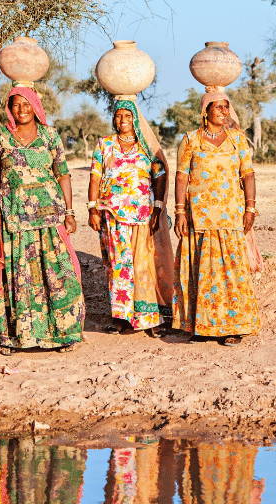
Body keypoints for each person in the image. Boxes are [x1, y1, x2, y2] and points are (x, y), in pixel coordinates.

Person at [0, 87, 85, 354]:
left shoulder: (50, 136)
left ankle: (62, 333)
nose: (22, 110)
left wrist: (70, 212)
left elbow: (63, 174)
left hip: (50, 215)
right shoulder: (1, 136)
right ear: (9, 108)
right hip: (15, 218)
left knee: (57, 272)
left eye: (26, 104)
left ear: (36, 106)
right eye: (16, 105)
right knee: (19, 276)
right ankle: (17, 337)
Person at [172, 92, 261, 346]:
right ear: (205, 111)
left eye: (226, 107)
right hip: (198, 217)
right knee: (200, 271)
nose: (224, 111)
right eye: (218, 107)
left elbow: (248, 175)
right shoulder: (191, 140)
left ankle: (233, 327)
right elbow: (181, 177)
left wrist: (250, 208)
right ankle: (202, 326)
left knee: (230, 271)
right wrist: (179, 211)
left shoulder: (237, 140)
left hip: (230, 216)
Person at [87, 99, 171, 337]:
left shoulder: (146, 147)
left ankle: (147, 317)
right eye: (118, 116)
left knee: (142, 264)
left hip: (141, 215)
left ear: (135, 119)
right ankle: (121, 317)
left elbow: (160, 175)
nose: (121, 121)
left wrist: (158, 207)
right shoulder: (104, 144)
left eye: (126, 116)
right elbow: (94, 177)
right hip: (112, 215)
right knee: (118, 266)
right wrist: (92, 209)